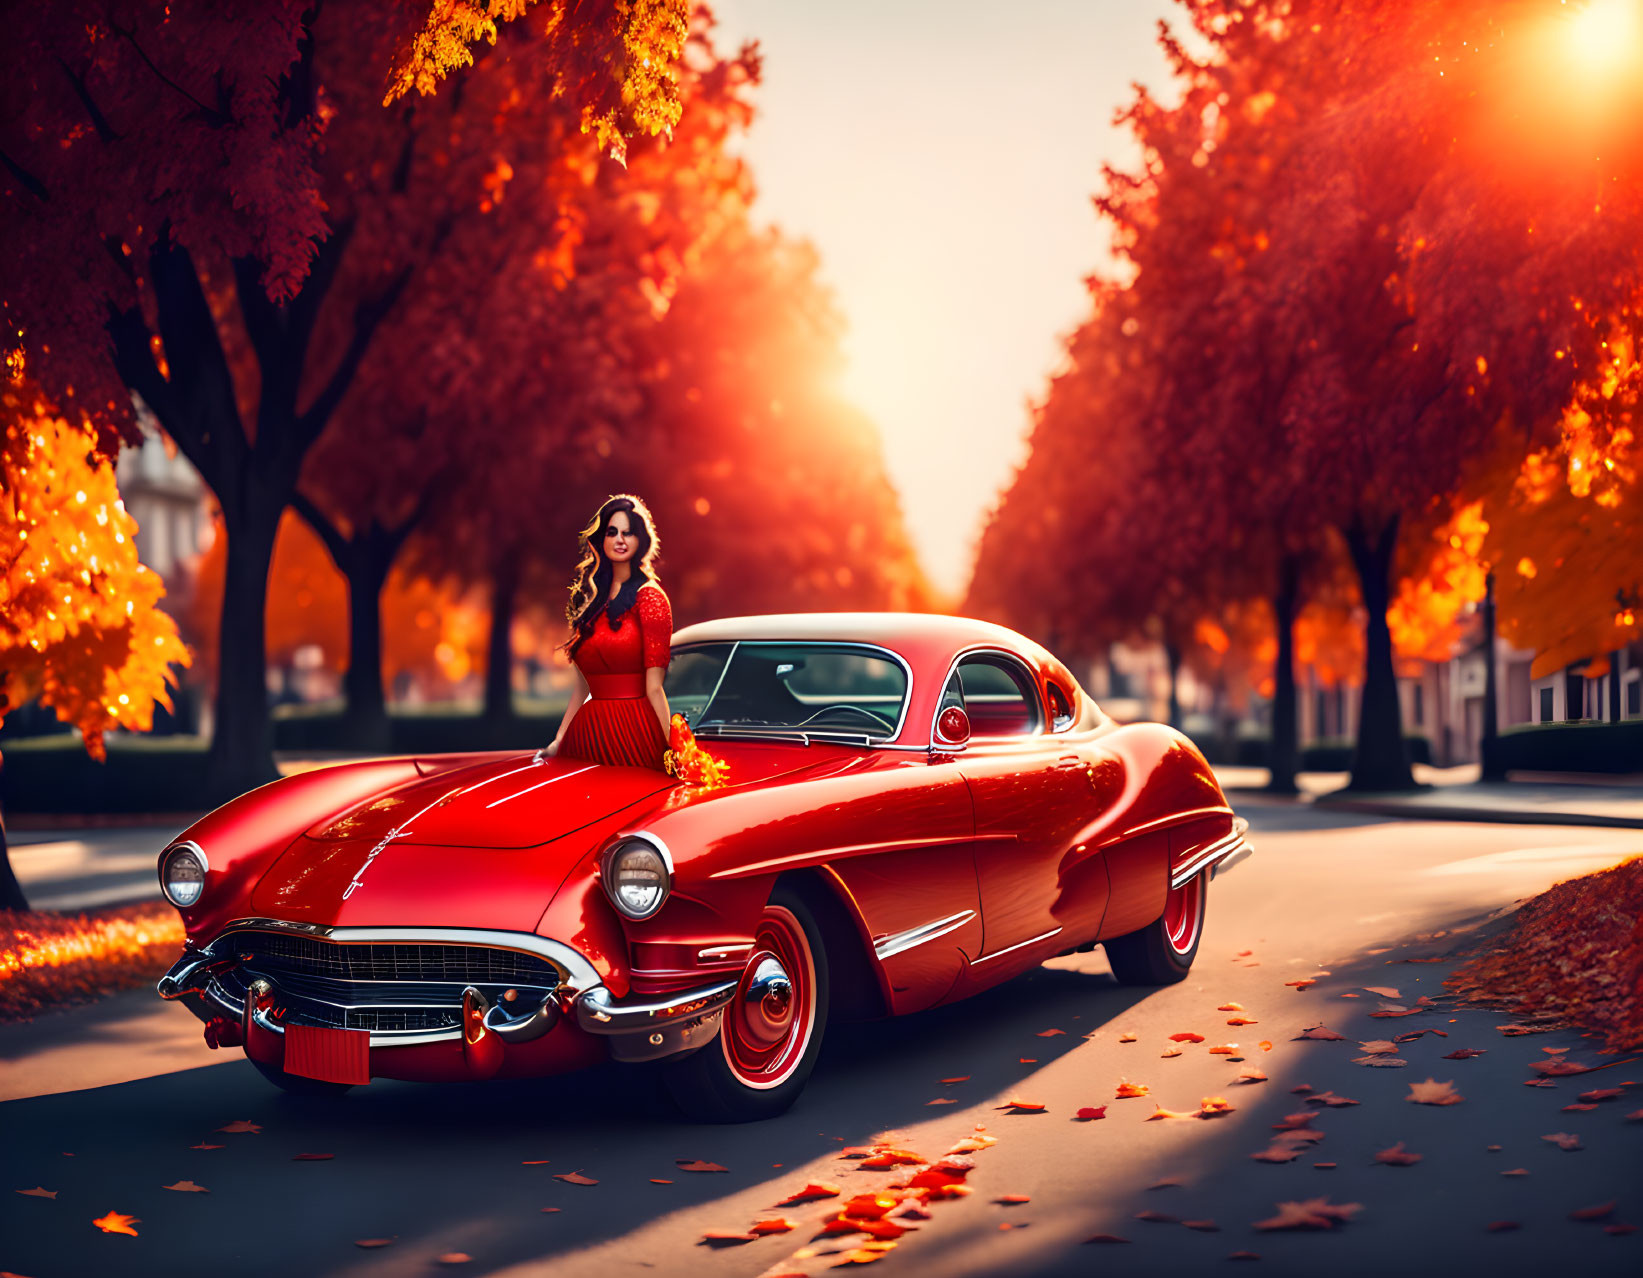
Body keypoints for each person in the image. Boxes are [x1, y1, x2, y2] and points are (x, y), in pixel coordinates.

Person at [541, 495, 675, 771]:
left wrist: (669, 752)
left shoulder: (650, 597)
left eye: (628, 533)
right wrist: (559, 740)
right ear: (601, 539)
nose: (620, 539)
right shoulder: (590, 602)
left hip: (634, 731)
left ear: (641, 540)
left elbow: (654, 687)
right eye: (612, 532)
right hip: (587, 733)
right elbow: (581, 690)